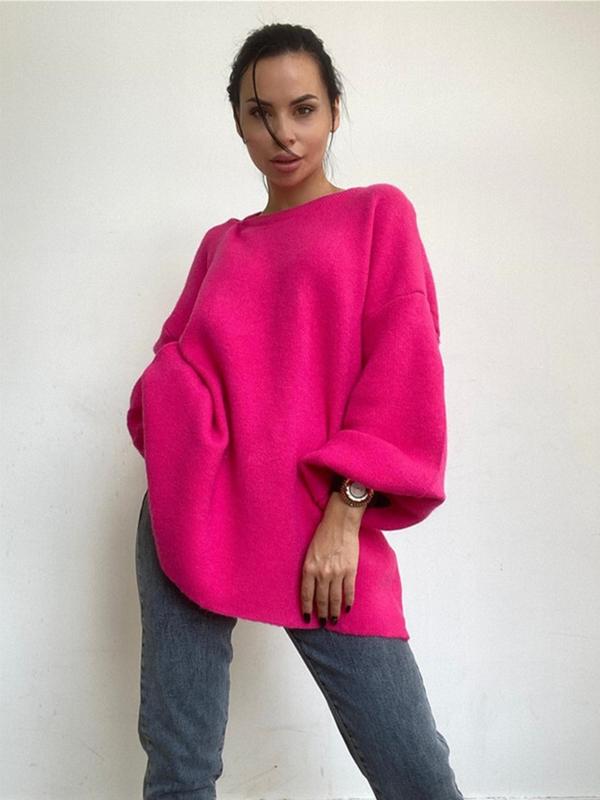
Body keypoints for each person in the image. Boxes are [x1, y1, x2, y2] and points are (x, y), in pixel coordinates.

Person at [128, 22, 464, 800]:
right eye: (261, 113)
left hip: (322, 519)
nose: (284, 133)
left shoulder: (379, 216)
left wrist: (347, 510)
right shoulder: (221, 246)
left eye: (304, 109)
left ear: (335, 110)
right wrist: (178, 393)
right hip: (197, 509)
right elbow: (168, 373)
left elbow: (405, 369)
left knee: (415, 770)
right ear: (239, 122)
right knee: (179, 771)